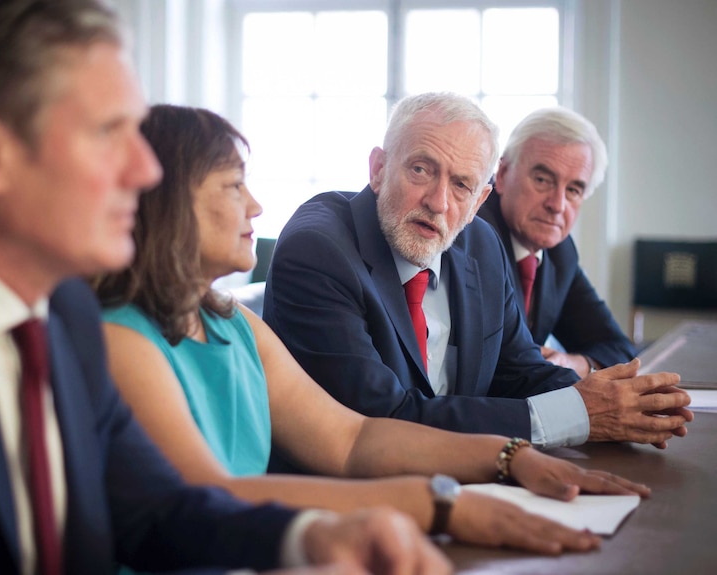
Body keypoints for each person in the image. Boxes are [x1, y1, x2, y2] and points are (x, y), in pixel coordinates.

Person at [0, 2, 451, 574]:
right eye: (110, 132)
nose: (145, 172)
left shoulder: (61, 310)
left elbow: (155, 510)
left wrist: (311, 538)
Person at [93, 104, 656, 558]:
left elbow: (353, 438)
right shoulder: (122, 338)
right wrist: (440, 506)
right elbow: (206, 498)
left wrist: (509, 454)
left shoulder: (232, 321)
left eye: (461, 184)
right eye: (233, 186)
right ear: (167, 202)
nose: (258, 205)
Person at [262, 92, 692, 451]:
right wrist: (579, 414)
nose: (438, 201)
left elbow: (517, 369)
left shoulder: (481, 245)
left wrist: (617, 402)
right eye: (421, 169)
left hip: (472, 474)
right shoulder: (318, 250)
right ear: (378, 170)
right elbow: (381, 418)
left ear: (479, 198)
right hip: (353, 501)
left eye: (461, 184)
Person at [477, 107, 637, 378]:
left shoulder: (560, 252)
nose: (557, 205)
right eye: (542, 180)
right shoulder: (474, 236)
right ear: (502, 175)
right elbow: (504, 370)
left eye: (574, 190)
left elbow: (620, 349)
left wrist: (577, 363)